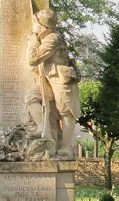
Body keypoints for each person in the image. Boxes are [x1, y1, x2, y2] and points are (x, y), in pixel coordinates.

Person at [27, 8, 81, 156]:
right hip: (48, 78)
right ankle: (43, 131)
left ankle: (65, 147)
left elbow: (33, 59)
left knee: (66, 111)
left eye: (35, 23)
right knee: (31, 96)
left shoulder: (53, 38)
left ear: (43, 26)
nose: (33, 25)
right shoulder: (46, 37)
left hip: (61, 79)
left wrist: (33, 42)